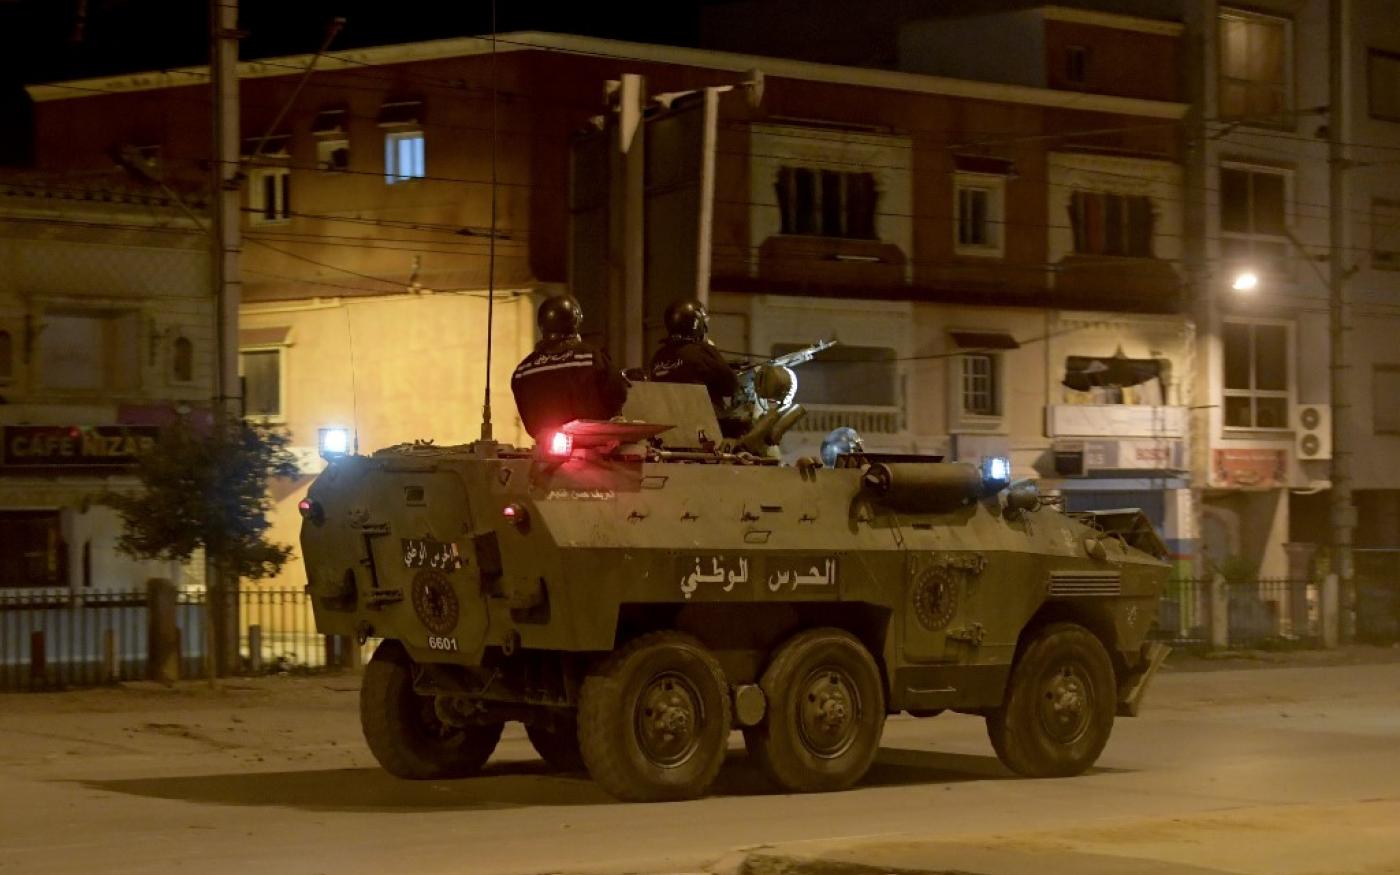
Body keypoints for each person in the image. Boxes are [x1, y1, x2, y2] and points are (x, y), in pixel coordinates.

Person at [511, 295, 628, 440]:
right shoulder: (591, 358)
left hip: (545, 450)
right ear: (576, 321)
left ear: (541, 324)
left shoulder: (523, 371)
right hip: (592, 446)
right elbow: (618, 395)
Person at [647, 299, 739, 410]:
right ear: (697, 324)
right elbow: (730, 388)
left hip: (669, 421)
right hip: (703, 422)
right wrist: (712, 350)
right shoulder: (703, 351)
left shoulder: (658, 356)